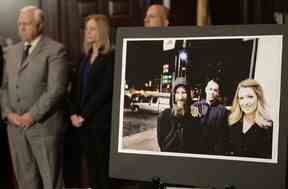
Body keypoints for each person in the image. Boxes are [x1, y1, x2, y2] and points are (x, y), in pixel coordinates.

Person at [1, 6, 68, 189]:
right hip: (15, 129)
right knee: (25, 182)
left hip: (43, 128)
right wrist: (8, 113)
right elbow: (4, 87)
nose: (21, 28)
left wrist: (31, 116)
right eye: (19, 24)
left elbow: (56, 90)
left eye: (27, 24)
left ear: (39, 25)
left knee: (51, 182)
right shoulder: (12, 52)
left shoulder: (55, 50)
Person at [68, 14, 114, 189]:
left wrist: (84, 115)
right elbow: (73, 89)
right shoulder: (84, 58)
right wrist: (73, 113)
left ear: (101, 31)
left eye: (92, 28)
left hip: (100, 123)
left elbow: (104, 91)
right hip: (82, 124)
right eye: (87, 29)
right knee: (91, 169)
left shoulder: (110, 57)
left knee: (103, 170)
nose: (88, 32)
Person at [228, 79, 273, 159]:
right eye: (241, 98)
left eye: (250, 97)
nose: (245, 102)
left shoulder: (268, 128)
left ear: (258, 98)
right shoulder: (231, 122)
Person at [157, 77, 202, 153]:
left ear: (188, 95)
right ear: (173, 96)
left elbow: (196, 144)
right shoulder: (164, 116)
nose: (180, 97)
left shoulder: (194, 116)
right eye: (177, 93)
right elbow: (162, 145)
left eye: (184, 92)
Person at [190, 79, 229, 155]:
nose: (212, 92)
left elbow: (223, 135)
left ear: (218, 93)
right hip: (196, 149)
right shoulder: (196, 106)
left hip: (213, 152)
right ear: (206, 90)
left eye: (215, 90)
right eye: (210, 89)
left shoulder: (222, 111)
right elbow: (191, 129)